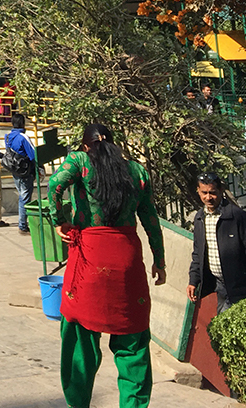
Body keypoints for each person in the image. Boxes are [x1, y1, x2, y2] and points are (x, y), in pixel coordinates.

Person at [49, 123, 167, 408]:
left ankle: (77, 403)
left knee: (80, 339)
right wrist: (159, 260)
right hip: (126, 262)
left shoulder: (80, 161)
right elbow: (150, 218)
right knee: (133, 343)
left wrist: (59, 220)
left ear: (86, 145)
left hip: (89, 261)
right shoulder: (137, 171)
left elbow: (55, 184)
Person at [187, 172, 246, 314]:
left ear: (221, 191)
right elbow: (198, 254)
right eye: (204, 193)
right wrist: (193, 281)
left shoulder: (238, 217)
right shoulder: (200, 218)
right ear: (198, 191)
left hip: (243, 288)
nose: (208, 197)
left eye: (212, 192)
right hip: (220, 287)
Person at [5, 113, 37, 234]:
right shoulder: (23, 137)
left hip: (15, 170)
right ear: (23, 123)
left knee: (21, 196)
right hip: (25, 171)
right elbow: (33, 155)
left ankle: (22, 223)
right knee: (25, 198)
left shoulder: (7, 137)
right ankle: (22, 225)